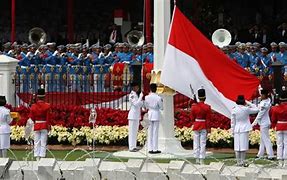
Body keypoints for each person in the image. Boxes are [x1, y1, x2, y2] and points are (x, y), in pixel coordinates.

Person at [231, 95, 259, 166]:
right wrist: (249, 102)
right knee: (243, 146)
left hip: (237, 129)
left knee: (237, 147)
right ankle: (242, 162)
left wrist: (232, 130)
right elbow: (257, 109)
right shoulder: (246, 109)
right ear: (244, 101)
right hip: (244, 128)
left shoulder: (234, 109)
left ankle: (238, 162)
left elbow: (232, 122)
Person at [29, 88, 51, 160]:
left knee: (36, 141)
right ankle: (42, 156)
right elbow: (48, 118)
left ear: (38, 97)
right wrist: (49, 126)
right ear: (44, 96)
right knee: (43, 141)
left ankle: (37, 156)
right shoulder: (47, 106)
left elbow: (31, 118)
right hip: (44, 124)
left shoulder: (33, 106)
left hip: (37, 124)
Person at [252, 89, 275, 159]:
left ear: (265, 95)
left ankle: (270, 155)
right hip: (265, 122)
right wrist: (248, 103)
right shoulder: (266, 101)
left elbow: (260, 114)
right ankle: (260, 154)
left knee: (266, 139)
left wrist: (253, 123)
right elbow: (257, 108)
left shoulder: (264, 103)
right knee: (262, 139)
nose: (260, 96)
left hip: (264, 123)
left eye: (262, 94)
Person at [190, 88, 211, 164]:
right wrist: (209, 128)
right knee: (202, 143)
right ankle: (202, 159)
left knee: (196, 142)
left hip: (196, 124)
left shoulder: (194, 106)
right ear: (205, 97)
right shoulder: (207, 107)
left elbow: (192, 118)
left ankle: (196, 159)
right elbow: (208, 119)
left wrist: (194, 123)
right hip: (204, 125)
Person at [144, 83, 163, 154]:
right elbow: (161, 107)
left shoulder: (146, 97)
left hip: (150, 113)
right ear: (156, 89)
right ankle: (155, 149)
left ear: (150, 89)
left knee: (150, 132)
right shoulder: (158, 98)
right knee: (155, 132)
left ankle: (150, 148)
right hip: (156, 114)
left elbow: (146, 106)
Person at [271, 90, 287, 166]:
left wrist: (274, 126)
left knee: (279, 144)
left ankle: (280, 161)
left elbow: (273, 119)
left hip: (279, 126)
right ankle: (285, 161)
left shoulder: (275, 108)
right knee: (286, 144)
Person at [128, 82, 143, 152]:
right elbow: (136, 104)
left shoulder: (136, 95)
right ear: (134, 87)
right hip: (132, 116)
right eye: (137, 87)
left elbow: (139, 104)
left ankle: (134, 146)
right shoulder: (132, 95)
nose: (138, 88)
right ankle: (131, 147)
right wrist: (140, 97)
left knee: (135, 132)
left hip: (136, 116)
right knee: (131, 132)